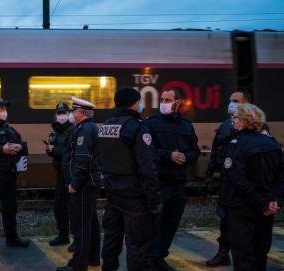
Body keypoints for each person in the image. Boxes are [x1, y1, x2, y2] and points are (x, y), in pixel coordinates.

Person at [221, 103, 284, 271]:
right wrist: (274, 201)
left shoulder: (235, 145)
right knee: (261, 253)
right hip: (266, 209)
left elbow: (239, 181)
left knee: (243, 255)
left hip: (242, 209)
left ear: (245, 121)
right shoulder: (272, 144)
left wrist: (261, 203)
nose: (233, 121)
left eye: (235, 117)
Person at [204, 91, 270, 267]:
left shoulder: (258, 126)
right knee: (225, 220)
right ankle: (223, 252)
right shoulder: (226, 124)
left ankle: (247, 259)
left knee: (242, 227)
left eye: (235, 101)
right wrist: (210, 172)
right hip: (226, 181)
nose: (231, 104)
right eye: (230, 100)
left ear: (246, 104)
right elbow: (216, 147)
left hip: (243, 184)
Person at [99, 87, 161, 271]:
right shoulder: (137, 127)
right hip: (134, 196)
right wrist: (155, 199)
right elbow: (148, 168)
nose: (140, 104)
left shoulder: (106, 125)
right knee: (137, 245)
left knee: (111, 237)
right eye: (139, 101)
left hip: (112, 193)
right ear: (133, 103)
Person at [145, 88, 200, 271]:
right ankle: (152, 259)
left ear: (178, 103)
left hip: (179, 183)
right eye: (162, 99)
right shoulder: (151, 124)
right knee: (156, 223)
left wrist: (187, 157)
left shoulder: (186, 126)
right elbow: (147, 150)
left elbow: (195, 151)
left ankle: (160, 256)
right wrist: (168, 155)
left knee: (171, 223)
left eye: (168, 99)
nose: (163, 102)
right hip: (160, 182)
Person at [57, 97, 103, 271]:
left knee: (81, 224)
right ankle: (92, 258)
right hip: (89, 183)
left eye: (74, 111)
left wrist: (75, 183)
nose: (71, 114)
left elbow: (82, 159)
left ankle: (79, 264)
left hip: (84, 184)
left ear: (82, 113)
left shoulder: (85, 130)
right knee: (90, 222)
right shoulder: (88, 128)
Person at [0, 97, 29, 247]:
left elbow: (23, 146)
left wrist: (19, 148)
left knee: (11, 209)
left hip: (10, 174)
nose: (4, 110)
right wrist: (1, 149)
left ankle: (12, 237)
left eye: (4, 107)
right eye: (0, 107)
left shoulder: (10, 129)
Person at [46, 102, 75, 246]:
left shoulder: (72, 131)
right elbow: (56, 151)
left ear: (69, 114)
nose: (61, 116)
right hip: (60, 173)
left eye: (64, 113)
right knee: (60, 206)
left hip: (70, 174)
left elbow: (68, 154)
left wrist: (54, 151)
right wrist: (49, 150)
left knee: (73, 207)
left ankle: (76, 238)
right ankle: (63, 235)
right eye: (59, 113)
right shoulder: (55, 131)